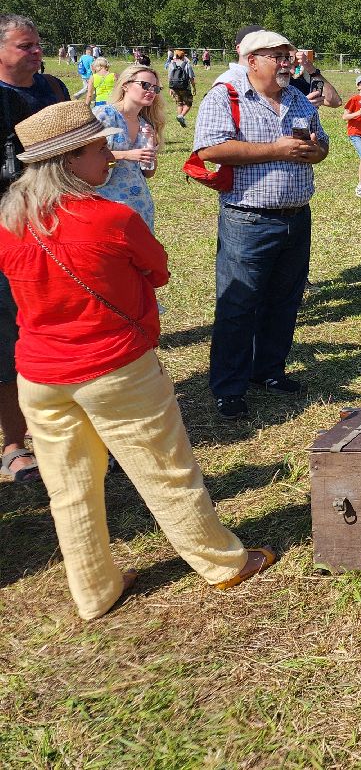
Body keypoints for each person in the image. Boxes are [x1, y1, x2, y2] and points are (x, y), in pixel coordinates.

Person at [0, 101, 275, 618]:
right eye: (99, 147)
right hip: (115, 367)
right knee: (167, 472)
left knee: (69, 489)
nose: (110, 154)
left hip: (37, 374)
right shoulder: (111, 217)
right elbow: (159, 270)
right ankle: (221, 564)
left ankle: (94, 591)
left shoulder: (9, 222)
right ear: (70, 159)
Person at [192, 29, 328, 420]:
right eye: (278, 57)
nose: (287, 63)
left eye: (289, 56)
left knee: (284, 301)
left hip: (297, 217)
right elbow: (210, 148)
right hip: (248, 219)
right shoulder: (226, 97)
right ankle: (229, 387)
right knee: (239, 305)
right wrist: (278, 149)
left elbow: (324, 145)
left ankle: (267, 371)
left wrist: (314, 150)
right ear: (252, 61)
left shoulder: (299, 98)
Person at [0, 15, 68, 484]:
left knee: (56, 325)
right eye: (26, 46)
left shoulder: (54, 88)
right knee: (10, 337)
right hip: (9, 229)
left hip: (57, 224)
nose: (36, 52)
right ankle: (13, 443)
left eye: (38, 45)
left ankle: (58, 428)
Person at [95, 64, 164, 229]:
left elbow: (148, 173)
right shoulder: (105, 114)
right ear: (125, 85)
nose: (151, 91)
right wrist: (127, 155)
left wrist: (150, 151)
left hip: (140, 207)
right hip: (107, 203)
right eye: (145, 85)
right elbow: (85, 156)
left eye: (156, 88)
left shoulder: (145, 125)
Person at [166, 47, 195, 127]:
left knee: (179, 103)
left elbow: (170, 77)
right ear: (183, 56)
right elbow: (191, 77)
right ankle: (181, 116)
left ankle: (180, 117)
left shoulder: (171, 65)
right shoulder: (187, 65)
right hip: (185, 87)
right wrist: (194, 87)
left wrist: (170, 88)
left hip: (174, 86)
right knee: (188, 103)